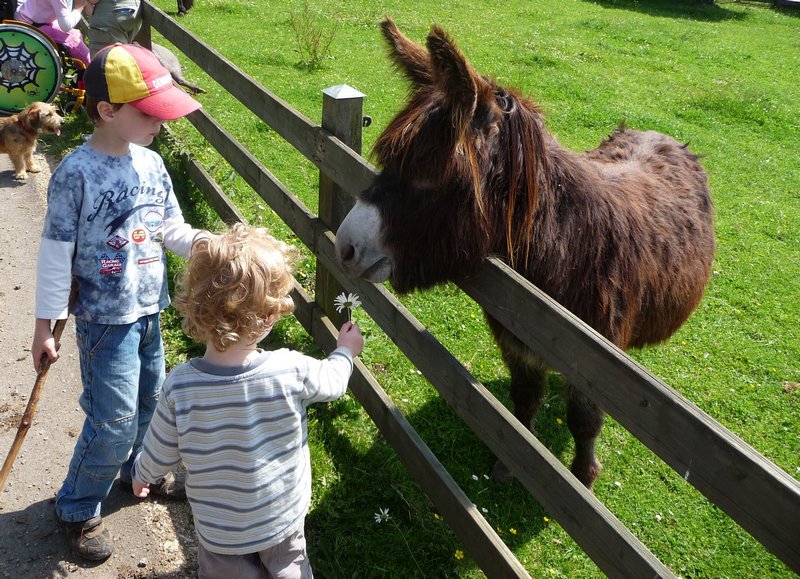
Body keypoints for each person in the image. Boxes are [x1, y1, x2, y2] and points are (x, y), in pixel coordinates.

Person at [31, 42, 205, 561]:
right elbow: (56, 256)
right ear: (108, 111)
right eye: (149, 114)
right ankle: (78, 507)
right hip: (105, 322)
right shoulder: (75, 174)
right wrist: (45, 325)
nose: (159, 124)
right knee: (112, 420)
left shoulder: (152, 164)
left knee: (151, 403)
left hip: (149, 308)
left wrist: (207, 244)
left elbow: (168, 227)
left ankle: (136, 472)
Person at [130, 223, 364, 578]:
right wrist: (345, 352)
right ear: (270, 316)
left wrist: (142, 474)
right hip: (281, 518)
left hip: (220, 531)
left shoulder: (180, 387)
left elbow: (161, 449)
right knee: (289, 566)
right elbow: (332, 383)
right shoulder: (290, 369)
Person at [15, 0, 91, 65]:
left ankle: (81, 73)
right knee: (73, 41)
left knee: (76, 34)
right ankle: (93, 67)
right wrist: (78, 8)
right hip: (30, 25)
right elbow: (65, 26)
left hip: (36, 19)